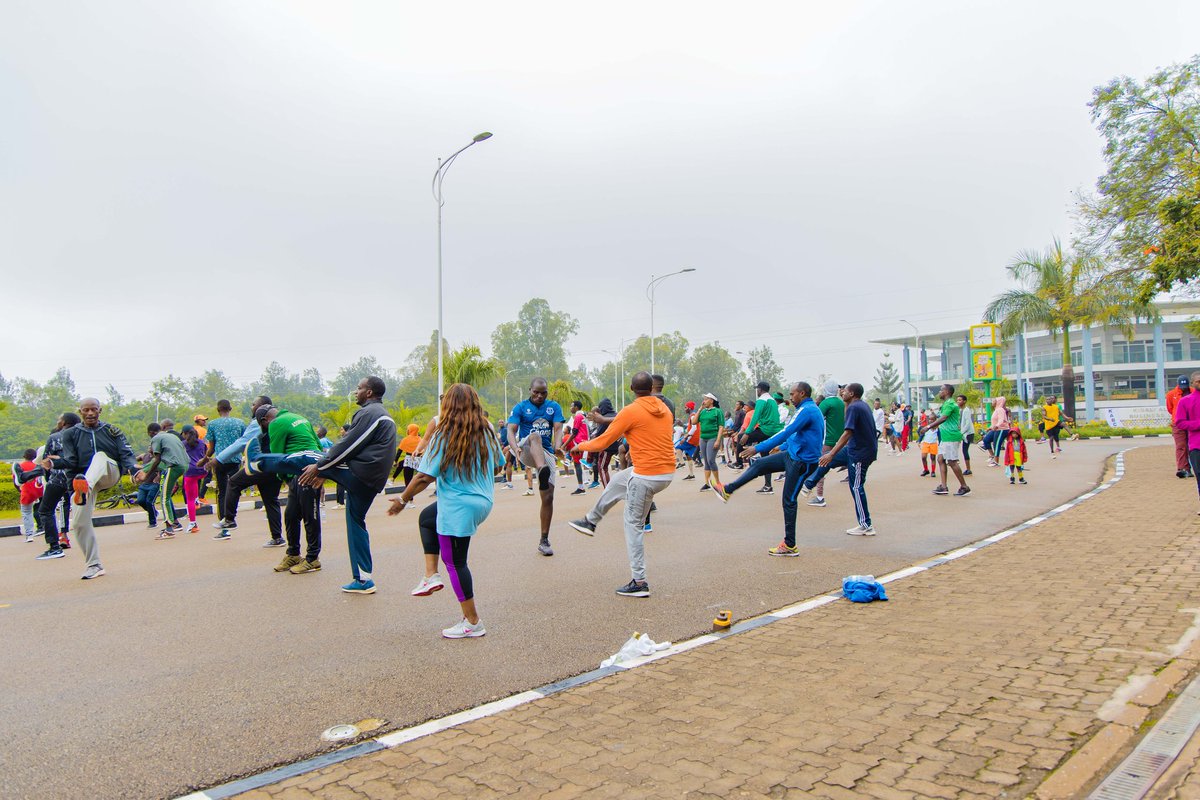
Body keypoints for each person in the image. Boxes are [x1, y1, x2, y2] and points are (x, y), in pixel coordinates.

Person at [249, 376, 398, 593]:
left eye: (358, 388)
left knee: (308, 456)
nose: (355, 392)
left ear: (369, 393)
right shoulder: (380, 415)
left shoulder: (371, 413)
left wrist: (321, 466)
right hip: (369, 478)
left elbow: (349, 445)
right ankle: (364, 580)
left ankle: (259, 462)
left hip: (363, 473)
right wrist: (327, 470)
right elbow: (355, 448)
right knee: (356, 523)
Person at [387, 383, 502, 637]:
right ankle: (430, 574)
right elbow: (497, 468)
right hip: (482, 502)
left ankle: (472, 622)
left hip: (458, 507)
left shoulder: (444, 433)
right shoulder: (487, 430)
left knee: (456, 563)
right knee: (427, 518)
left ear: (447, 405)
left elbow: (423, 477)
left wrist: (402, 500)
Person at [567, 371, 674, 597]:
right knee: (617, 479)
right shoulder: (663, 408)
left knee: (633, 524)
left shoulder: (631, 410)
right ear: (652, 388)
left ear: (632, 389)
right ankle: (590, 521)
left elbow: (604, 441)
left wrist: (580, 446)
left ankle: (639, 581)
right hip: (665, 471)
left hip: (647, 476)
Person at [713, 382, 823, 556]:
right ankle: (727, 490)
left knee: (789, 500)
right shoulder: (804, 409)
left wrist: (757, 447)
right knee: (758, 464)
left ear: (802, 393)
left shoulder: (808, 410)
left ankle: (790, 545)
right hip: (792, 455)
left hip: (802, 462)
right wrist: (783, 446)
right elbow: (796, 435)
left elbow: (786, 431)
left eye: (792, 394)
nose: (790, 397)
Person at [53, 398, 139, 579]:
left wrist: (133, 470)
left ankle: (85, 485)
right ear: (80, 412)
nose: (90, 413)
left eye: (94, 409)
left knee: (100, 457)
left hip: (108, 472)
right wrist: (51, 464)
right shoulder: (70, 434)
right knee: (78, 523)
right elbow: (70, 462)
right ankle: (94, 565)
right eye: (86, 410)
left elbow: (126, 454)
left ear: (100, 410)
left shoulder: (111, 431)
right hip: (82, 483)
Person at [248, 405, 324, 575]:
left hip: (304, 472)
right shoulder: (298, 416)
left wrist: (283, 479)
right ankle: (293, 554)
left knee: (310, 516)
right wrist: (322, 470)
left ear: (264, 420)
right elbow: (318, 444)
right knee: (290, 514)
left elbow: (278, 456)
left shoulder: (275, 423)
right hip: (310, 467)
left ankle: (312, 559)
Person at [802, 383, 878, 535]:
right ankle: (809, 483)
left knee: (856, 487)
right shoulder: (858, 405)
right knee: (827, 461)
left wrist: (831, 452)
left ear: (852, 393)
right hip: (855, 449)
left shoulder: (854, 407)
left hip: (860, 453)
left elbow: (848, 432)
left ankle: (866, 525)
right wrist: (831, 455)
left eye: (845, 390)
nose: (842, 392)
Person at [212, 395, 284, 545]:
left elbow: (243, 442)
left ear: (261, 408)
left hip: (262, 464)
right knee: (271, 500)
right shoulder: (278, 420)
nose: (251, 407)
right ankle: (277, 537)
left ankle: (229, 519)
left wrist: (219, 458)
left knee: (233, 482)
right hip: (276, 465)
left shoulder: (257, 422)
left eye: (253, 404)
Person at [507, 378, 564, 557]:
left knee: (548, 498)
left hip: (546, 453)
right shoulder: (520, 407)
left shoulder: (553, 407)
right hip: (525, 449)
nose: (539, 396)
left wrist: (558, 446)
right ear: (530, 390)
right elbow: (511, 430)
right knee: (535, 436)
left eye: (543, 393)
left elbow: (558, 428)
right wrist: (514, 446)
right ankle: (541, 470)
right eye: (536, 392)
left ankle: (544, 540)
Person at [27, 412, 81, 559]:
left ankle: (54, 547)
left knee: (45, 510)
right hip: (80, 478)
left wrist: (48, 480)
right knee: (81, 512)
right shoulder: (83, 436)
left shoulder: (55, 437)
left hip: (60, 478)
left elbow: (47, 462)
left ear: (63, 422)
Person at [138, 419, 190, 538]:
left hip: (174, 466)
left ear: (151, 433)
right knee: (165, 491)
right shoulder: (171, 436)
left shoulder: (156, 438)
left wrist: (146, 475)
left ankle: (169, 528)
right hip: (184, 465)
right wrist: (145, 469)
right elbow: (163, 461)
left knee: (164, 497)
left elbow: (157, 460)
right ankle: (175, 522)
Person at [919, 384, 971, 497]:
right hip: (946, 437)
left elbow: (943, 418)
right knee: (940, 459)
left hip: (951, 436)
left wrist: (927, 427)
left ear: (947, 392)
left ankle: (964, 486)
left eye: (941, 390)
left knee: (951, 461)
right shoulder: (947, 404)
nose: (939, 392)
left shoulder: (950, 404)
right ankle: (943, 486)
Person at [201, 400, 245, 526]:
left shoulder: (213, 424)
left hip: (219, 461)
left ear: (218, 410)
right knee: (234, 489)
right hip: (235, 460)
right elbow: (244, 442)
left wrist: (204, 459)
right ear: (230, 408)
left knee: (222, 491)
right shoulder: (240, 423)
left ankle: (223, 520)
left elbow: (212, 448)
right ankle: (232, 517)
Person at [739, 381, 784, 494]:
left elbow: (755, 417)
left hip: (765, 430)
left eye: (757, 389)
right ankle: (768, 486)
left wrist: (747, 433)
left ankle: (738, 463)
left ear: (760, 390)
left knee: (740, 436)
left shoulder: (761, 400)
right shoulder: (773, 401)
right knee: (765, 458)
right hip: (772, 431)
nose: (757, 391)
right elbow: (776, 417)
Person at [809, 380, 845, 508]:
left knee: (821, 465)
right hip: (841, 440)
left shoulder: (826, 403)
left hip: (828, 440)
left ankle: (819, 497)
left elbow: (815, 418)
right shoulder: (841, 403)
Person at [1171, 372, 1200, 513]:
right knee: (1199, 476)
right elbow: (1179, 421)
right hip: (1196, 446)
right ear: (1193, 383)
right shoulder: (1184, 400)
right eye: (1198, 381)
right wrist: (1197, 425)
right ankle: (1183, 468)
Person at [180, 424, 208, 533]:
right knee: (195, 483)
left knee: (189, 499)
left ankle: (193, 524)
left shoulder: (182, 445)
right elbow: (206, 455)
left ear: (186, 434)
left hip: (190, 473)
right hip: (202, 471)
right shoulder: (202, 443)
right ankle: (197, 499)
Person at [135, 425, 162, 529]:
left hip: (154, 484)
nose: (150, 447)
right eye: (149, 446)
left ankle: (152, 522)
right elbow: (133, 461)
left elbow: (161, 468)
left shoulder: (158, 458)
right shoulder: (144, 456)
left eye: (152, 446)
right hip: (144, 484)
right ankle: (154, 512)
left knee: (149, 502)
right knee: (141, 501)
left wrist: (159, 477)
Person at [696, 393, 724, 492]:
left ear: (712, 401)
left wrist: (718, 440)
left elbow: (721, 426)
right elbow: (694, 421)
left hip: (713, 437)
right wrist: (699, 409)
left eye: (706, 399)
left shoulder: (717, 411)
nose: (704, 401)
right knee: (706, 461)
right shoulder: (703, 412)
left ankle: (718, 483)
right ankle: (707, 483)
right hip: (703, 438)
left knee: (711, 460)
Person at [1167, 375, 1191, 478]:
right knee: (1181, 446)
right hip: (1178, 424)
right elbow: (1170, 408)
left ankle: (1192, 468)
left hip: (1192, 423)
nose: (1184, 388)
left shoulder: (1194, 391)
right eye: (1182, 386)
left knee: (1193, 446)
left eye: (1185, 386)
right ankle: (1183, 469)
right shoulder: (1171, 394)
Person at [17, 449, 43, 542]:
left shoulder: (20, 466)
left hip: (27, 491)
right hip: (40, 490)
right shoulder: (38, 465)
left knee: (26, 512)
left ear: (24, 456)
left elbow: (17, 481)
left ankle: (29, 535)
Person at [988, 395, 1012, 467]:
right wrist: (991, 427)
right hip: (997, 429)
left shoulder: (1000, 410)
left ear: (998, 402)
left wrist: (997, 426)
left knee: (997, 445)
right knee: (987, 440)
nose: (992, 402)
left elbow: (1001, 420)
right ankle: (993, 457)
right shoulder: (997, 409)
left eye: (994, 401)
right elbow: (995, 421)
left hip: (1002, 429)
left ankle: (996, 462)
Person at [956, 395, 975, 475]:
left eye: (960, 400)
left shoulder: (966, 410)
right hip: (964, 432)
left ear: (964, 401)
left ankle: (968, 469)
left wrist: (961, 432)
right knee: (963, 450)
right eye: (957, 400)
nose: (958, 401)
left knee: (965, 450)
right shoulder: (961, 410)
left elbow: (967, 424)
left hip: (968, 433)